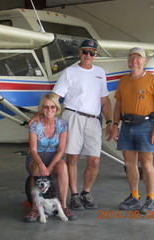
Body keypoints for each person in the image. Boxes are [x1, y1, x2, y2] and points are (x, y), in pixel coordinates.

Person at [29, 39, 113, 210]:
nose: (88, 55)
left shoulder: (100, 72)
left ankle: (86, 193)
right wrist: (39, 114)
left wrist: (111, 122)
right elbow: (55, 96)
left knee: (95, 161)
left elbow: (104, 100)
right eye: (85, 52)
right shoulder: (69, 72)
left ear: (95, 54)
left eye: (92, 53)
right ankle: (74, 195)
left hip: (94, 119)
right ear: (79, 53)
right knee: (72, 158)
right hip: (73, 116)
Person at [110, 47, 154, 213]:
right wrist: (114, 125)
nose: (134, 60)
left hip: (146, 126)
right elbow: (118, 104)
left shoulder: (153, 80)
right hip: (126, 125)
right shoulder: (123, 81)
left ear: (144, 61)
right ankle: (134, 196)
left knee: (147, 163)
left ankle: (151, 199)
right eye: (131, 57)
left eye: (138, 57)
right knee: (129, 163)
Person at [24, 93, 76, 223]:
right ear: (42, 108)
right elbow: (33, 150)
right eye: (46, 107)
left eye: (52, 107)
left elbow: (61, 150)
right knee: (36, 168)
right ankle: (35, 209)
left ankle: (63, 207)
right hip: (36, 157)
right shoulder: (35, 125)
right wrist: (42, 165)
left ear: (57, 108)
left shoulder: (62, 124)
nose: (49, 110)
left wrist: (51, 166)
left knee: (63, 167)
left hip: (54, 157)